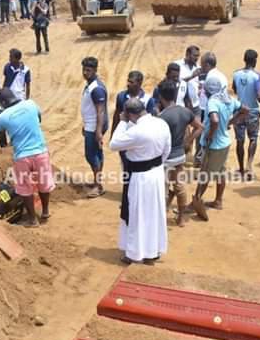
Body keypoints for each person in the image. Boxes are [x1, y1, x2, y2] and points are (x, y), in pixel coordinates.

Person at [109, 98, 172, 264]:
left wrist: (122, 122)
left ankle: (134, 253)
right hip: (157, 173)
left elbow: (113, 144)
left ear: (129, 114)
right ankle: (153, 251)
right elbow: (167, 150)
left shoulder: (137, 131)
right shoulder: (161, 124)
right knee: (154, 213)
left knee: (137, 215)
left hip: (140, 177)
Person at [0, 88, 55, 227]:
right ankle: (45, 211)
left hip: (22, 157)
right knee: (44, 184)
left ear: (3, 102)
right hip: (40, 152)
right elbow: (38, 119)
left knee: (24, 188)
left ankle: (33, 220)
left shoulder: (3, 117)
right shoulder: (31, 104)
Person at [192, 76, 248, 220]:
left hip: (214, 145)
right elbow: (245, 110)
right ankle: (218, 201)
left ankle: (195, 202)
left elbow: (214, 120)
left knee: (205, 174)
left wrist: (210, 134)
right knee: (220, 173)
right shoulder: (228, 99)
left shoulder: (213, 102)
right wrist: (231, 121)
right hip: (225, 143)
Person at [157, 80, 202, 227]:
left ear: (161, 97)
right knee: (179, 186)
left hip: (165, 158)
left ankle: (161, 218)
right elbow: (199, 127)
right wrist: (188, 141)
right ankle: (181, 218)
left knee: (162, 188)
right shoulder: (185, 111)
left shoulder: (162, 117)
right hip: (180, 155)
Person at [232, 49, 260, 179]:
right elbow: (259, 95)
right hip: (252, 111)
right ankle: (249, 166)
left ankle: (240, 168)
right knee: (253, 138)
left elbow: (235, 89)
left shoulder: (236, 74)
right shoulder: (257, 76)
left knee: (239, 141)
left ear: (244, 59)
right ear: (255, 61)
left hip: (239, 110)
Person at [80, 57, 108, 198]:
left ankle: (98, 186)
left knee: (91, 155)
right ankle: (97, 182)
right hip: (90, 125)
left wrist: (98, 131)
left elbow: (100, 111)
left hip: (94, 126)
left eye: (88, 70)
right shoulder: (90, 85)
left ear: (95, 70)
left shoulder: (96, 89)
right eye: (84, 69)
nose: (85, 72)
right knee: (97, 154)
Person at [111, 71, 156, 135]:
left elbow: (150, 122)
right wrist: (113, 134)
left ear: (139, 83)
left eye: (131, 82)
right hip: (123, 134)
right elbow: (116, 117)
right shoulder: (121, 96)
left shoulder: (148, 100)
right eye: (128, 81)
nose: (128, 84)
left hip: (140, 136)